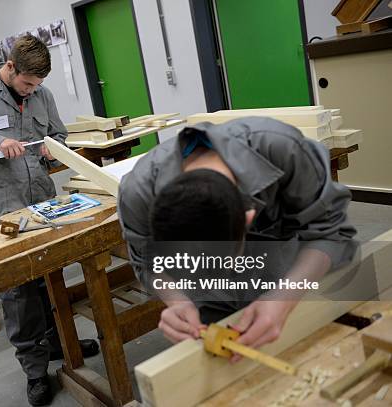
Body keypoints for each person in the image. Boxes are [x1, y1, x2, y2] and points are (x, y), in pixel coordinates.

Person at [0, 35, 99, 406]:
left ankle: (59, 343)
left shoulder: (41, 93)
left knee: (50, 276)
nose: (32, 92)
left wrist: (50, 145)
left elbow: (58, 133)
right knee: (18, 290)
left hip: (42, 200)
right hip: (3, 205)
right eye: (27, 84)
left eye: (37, 86)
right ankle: (35, 370)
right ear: (9, 68)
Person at [118, 117, 358, 354]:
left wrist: (284, 297)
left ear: (248, 217)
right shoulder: (138, 194)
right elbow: (146, 262)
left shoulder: (282, 149)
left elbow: (332, 233)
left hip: (291, 278)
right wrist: (178, 300)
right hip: (212, 303)